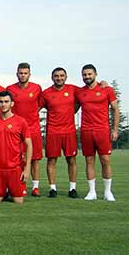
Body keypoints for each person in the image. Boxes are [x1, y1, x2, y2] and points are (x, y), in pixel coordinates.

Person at [76, 64, 119, 202]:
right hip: (86, 131)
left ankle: (107, 192)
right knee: (89, 161)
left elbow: (115, 109)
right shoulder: (79, 92)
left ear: (95, 74)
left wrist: (115, 129)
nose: (87, 77)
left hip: (102, 131)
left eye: (89, 74)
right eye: (84, 75)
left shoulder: (106, 89)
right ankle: (92, 192)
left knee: (105, 161)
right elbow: (72, 108)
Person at [6, 62, 44, 196]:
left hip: (33, 129)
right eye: (20, 73)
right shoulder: (10, 89)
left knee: (35, 159)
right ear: (17, 74)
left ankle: (35, 187)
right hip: (16, 130)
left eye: (25, 73)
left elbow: (40, 104)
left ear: (29, 74)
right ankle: (18, 186)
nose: (23, 75)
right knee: (17, 159)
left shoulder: (37, 88)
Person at [41, 67, 79, 198]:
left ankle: (72, 189)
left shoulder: (73, 89)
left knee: (72, 160)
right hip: (53, 131)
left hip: (69, 131)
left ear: (66, 77)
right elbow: (37, 107)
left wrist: (102, 83)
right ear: (52, 78)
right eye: (56, 76)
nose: (59, 78)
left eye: (62, 76)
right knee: (51, 160)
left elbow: (86, 93)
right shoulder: (46, 93)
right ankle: (52, 189)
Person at [0, 91, 32, 204]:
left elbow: (29, 145)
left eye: (6, 102)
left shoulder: (21, 121)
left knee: (18, 201)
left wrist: (27, 169)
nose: (3, 104)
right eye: (1, 102)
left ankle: (9, 190)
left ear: (12, 104)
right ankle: (4, 191)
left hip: (15, 168)